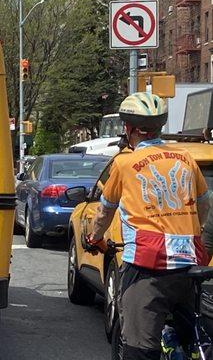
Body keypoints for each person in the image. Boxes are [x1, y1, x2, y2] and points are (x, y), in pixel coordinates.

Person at [84, 92, 211, 360]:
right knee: (191, 334)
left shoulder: (124, 163)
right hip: (189, 262)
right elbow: (203, 204)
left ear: (128, 128)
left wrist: (94, 238)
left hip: (147, 265)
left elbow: (105, 211)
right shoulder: (185, 159)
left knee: (139, 348)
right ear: (160, 127)